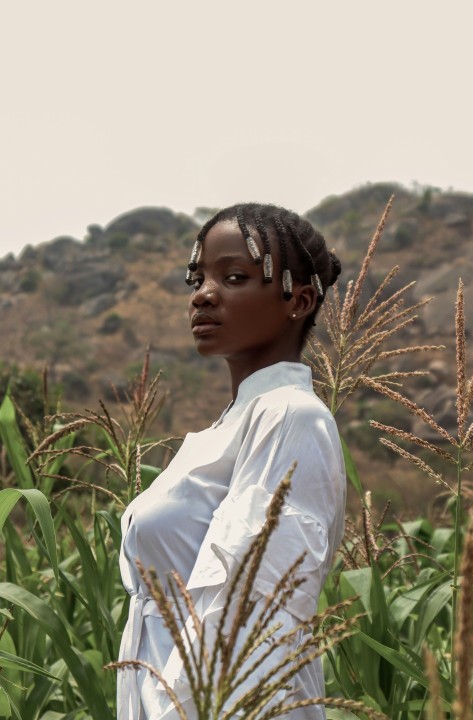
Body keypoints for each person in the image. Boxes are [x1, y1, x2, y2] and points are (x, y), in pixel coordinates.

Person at [117, 203, 346, 719]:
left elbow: (255, 611)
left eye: (235, 277)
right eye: (197, 279)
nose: (203, 294)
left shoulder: (289, 415)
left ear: (300, 300)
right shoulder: (225, 429)